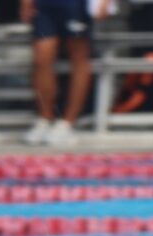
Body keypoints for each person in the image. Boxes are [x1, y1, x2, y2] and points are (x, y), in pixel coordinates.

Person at [22, 0, 96, 144]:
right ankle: (45, 118)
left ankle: (68, 122)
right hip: (45, 5)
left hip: (76, 5)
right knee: (41, 57)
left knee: (79, 57)